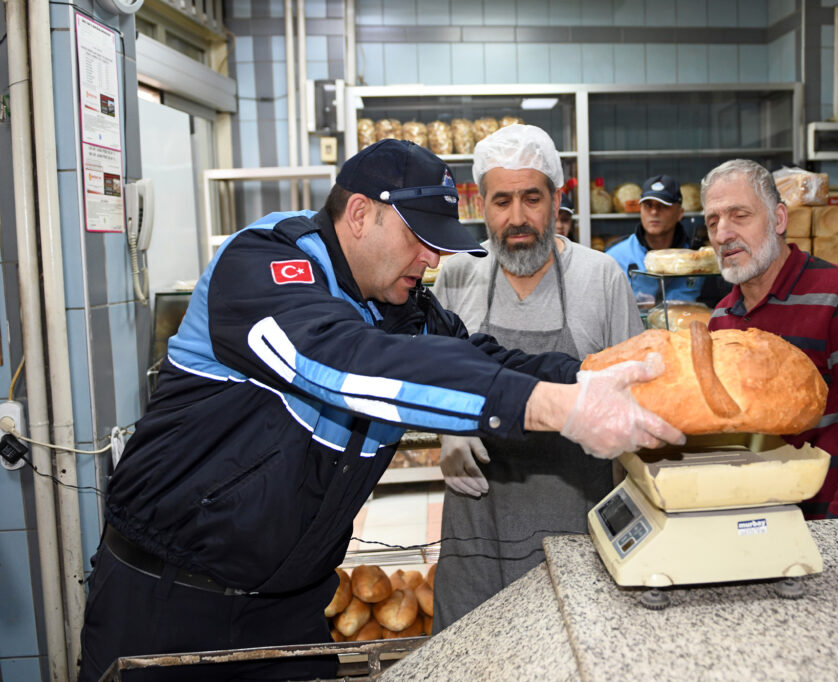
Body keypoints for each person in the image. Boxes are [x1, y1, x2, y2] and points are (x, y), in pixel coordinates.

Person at [78, 139, 685, 681]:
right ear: (361, 213)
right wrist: (555, 407)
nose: (431, 261)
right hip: (169, 601)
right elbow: (340, 361)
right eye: (419, 240)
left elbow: (487, 359)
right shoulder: (265, 264)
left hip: (290, 608)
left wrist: (602, 379)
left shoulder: (403, 307)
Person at [430, 125, 644, 633]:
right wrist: (447, 427)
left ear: (556, 199)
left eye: (532, 198)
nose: (518, 218)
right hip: (477, 517)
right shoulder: (457, 273)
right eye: (502, 201)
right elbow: (430, 371)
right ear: (480, 203)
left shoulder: (600, 278)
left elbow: (636, 397)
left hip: (579, 516)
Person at [701, 159, 838, 519]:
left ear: (778, 219)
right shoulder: (721, 319)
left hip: (827, 527)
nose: (722, 234)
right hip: (750, 524)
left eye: (739, 215)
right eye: (712, 221)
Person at [605, 173, 730, 308]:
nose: (654, 212)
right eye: (648, 205)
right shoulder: (615, 257)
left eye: (662, 206)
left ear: (680, 213)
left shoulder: (699, 258)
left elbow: (713, 307)